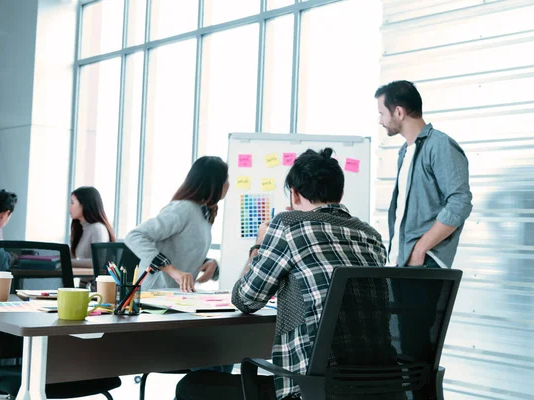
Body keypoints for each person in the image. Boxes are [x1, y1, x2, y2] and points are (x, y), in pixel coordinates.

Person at [175, 148, 388, 400]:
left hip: (309, 389)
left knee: (192, 385)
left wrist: (259, 244)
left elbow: (245, 299)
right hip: (378, 385)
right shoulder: (371, 236)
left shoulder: (288, 224)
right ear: (340, 194)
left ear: (295, 194)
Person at [375, 80, 472, 268]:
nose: (380, 121)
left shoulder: (440, 145)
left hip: (425, 263)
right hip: (403, 262)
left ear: (399, 112)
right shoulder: (405, 152)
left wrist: (420, 249)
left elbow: (460, 203)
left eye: (382, 113)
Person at [125, 156, 229, 293]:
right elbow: (134, 236)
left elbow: (182, 249)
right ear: (214, 184)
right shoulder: (183, 209)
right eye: (225, 179)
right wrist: (171, 270)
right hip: (154, 295)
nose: (228, 184)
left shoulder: (204, 213)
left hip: (175, 296)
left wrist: (208, 263)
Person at [69, 186, 116, 260]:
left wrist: (69, 262)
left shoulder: (98, 228)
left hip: (87, 272)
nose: (69, 207)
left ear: (84, 204)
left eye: (72, 203)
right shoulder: (80, 228)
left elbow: (98, 262)